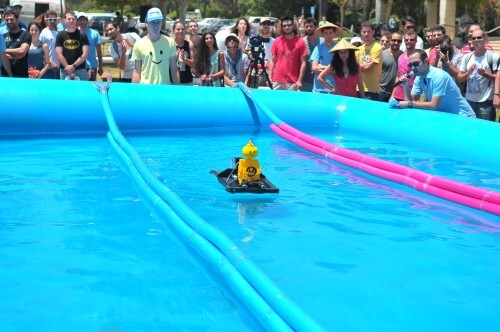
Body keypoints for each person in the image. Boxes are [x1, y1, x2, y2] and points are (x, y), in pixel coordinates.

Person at [395, 49, 475, 117]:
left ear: (426, 61)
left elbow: (433, 105)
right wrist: (405, 87)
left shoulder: (439, 76)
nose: (412, 68)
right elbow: (410, 101)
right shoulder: (418, 77)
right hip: (447, 116)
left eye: (415, 64)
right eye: (410, 65)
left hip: (464, 116)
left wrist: (410, 104)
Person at [457, 29, 499, 121]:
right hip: (469, 101)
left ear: (485, 39)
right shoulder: (467, 57)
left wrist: (485, 75)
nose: (476, 40)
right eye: (474, 38)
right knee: (468, 129)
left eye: (479, 37)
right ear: (471, 41)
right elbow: (459, 78)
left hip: (486, 103)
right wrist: (468, 73)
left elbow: (498, 77)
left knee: (486, 131)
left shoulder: (493, 57)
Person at [131, 7, 179, 85]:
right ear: (146, 22)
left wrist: (177, 88)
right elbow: (137, 71)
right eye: (152, 22)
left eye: (158, 22)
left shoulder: (170, 42)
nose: (156, 25)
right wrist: (134, 91)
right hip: (145, 89)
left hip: (165, 88)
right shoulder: (138, 44)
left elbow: (174, 68)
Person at [269, 16, 307, 91]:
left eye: (289, 25)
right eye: (284, 26)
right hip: (277, 80)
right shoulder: (276, 41)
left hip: (293, 82)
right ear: (281, 27)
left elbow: (303, 62)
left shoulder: (301, 42)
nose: (287, 27)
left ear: (293, 26)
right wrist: (270, 77)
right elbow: (272, 60)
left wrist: (299, 80)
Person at [56, 11, 89, 80]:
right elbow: (58, 53)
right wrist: (67, 67)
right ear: (64, 21)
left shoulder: (83, 35)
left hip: (80, 69)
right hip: (64, 69)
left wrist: (73, 66)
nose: (71, 21)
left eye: (73, 19)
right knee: (65, 90)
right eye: (69, 19)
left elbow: (85, 54)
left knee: (82, 90)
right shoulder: (60, 35)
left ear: (76, 20)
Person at [310, 22, 341, 93]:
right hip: (318, 89)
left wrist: (321, 66)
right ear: (323, 35)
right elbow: (314, 68)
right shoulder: (317, 48)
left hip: (335, 88)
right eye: (326, 33)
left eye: (330, 33)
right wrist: (330, 70)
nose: (328, 35)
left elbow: (340, 69)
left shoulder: (339, 48)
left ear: (334, 34)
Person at [356, 21, 382, 100]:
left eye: (368, 31)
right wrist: (362, 65)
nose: (366, 34)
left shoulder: (377, 47)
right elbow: (354, 68)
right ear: (361, 33)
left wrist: (359, 65)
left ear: (373, 32)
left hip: (372, 90)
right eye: (364, 31)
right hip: (357, 88)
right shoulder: (358, 49)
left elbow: (367, 69)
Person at [1, 9, 31, 78]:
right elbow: (2, 56)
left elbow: (22, 51)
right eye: (7, 20)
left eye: (11, 19)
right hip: (5, 74)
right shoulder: (3, 36)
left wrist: (3, 50)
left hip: (21, 74)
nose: (9, 22)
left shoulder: (25, 35)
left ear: (17, 20)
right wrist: (16, 55)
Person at [391, 30, 418, 102]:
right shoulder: (401, 56)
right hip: (397, 96)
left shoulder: (418, 57)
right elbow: (398, 76)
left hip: (410, 97)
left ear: (416, 41)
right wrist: (392, 95)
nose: (409, 41)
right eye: (406, 40)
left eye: (411, 40)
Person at [77, 14, 103, 81]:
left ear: (87, 21)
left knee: (91, 87)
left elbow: (99, 51)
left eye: (83, 20)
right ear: (77, 21)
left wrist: (100, 66)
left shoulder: (95, 34)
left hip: (91, 66)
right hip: (77, 66)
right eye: (80, 20)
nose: (82, 22)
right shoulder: (74, 33)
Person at [302, 17, 322, 92]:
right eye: (307, 27)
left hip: (320, 80)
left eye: (311, 26)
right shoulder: (302, 42)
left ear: (316, 27)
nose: (309, 28)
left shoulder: (322, 41)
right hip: (306, 81)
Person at [378, 33, 401, 101]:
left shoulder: (403, 56)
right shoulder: (382, 54)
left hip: (396, 92)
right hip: (382, 91)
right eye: (394, 40)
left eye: (399, 41)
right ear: (390, 40)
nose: (396, 43)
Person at [39, 10, 61, 79]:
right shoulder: (43, 33)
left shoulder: (58, 33)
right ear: (46, 20)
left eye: (54, 19)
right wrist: (51, 63)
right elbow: (40, 51)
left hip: (58, 67)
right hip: (48, 68)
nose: (52, 21)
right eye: (50, 19)